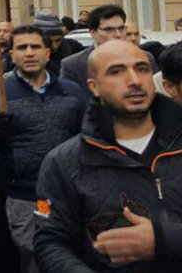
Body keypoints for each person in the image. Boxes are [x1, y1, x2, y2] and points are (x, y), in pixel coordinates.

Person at [35, 40, 182, 271]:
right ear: (94, 86)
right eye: (116, 71)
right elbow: (50, 243)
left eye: (142, 69)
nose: (134, 80)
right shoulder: (63, 163)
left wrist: (165, 241)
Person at [0, 25, 87, 273]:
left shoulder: (71, 91)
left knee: (73, 254)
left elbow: (86, 137)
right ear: (12, 54)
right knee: (35, 255)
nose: (29, 53)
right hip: (27, 196)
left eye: (35, 46)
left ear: (48, 53)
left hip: (69, 193)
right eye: (22, 47)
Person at [60, 4, 157, 96]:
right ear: (94, 33)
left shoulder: (145, 58)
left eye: (121, 28)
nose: (118, 34)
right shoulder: (73, 65)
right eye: (109, 29)